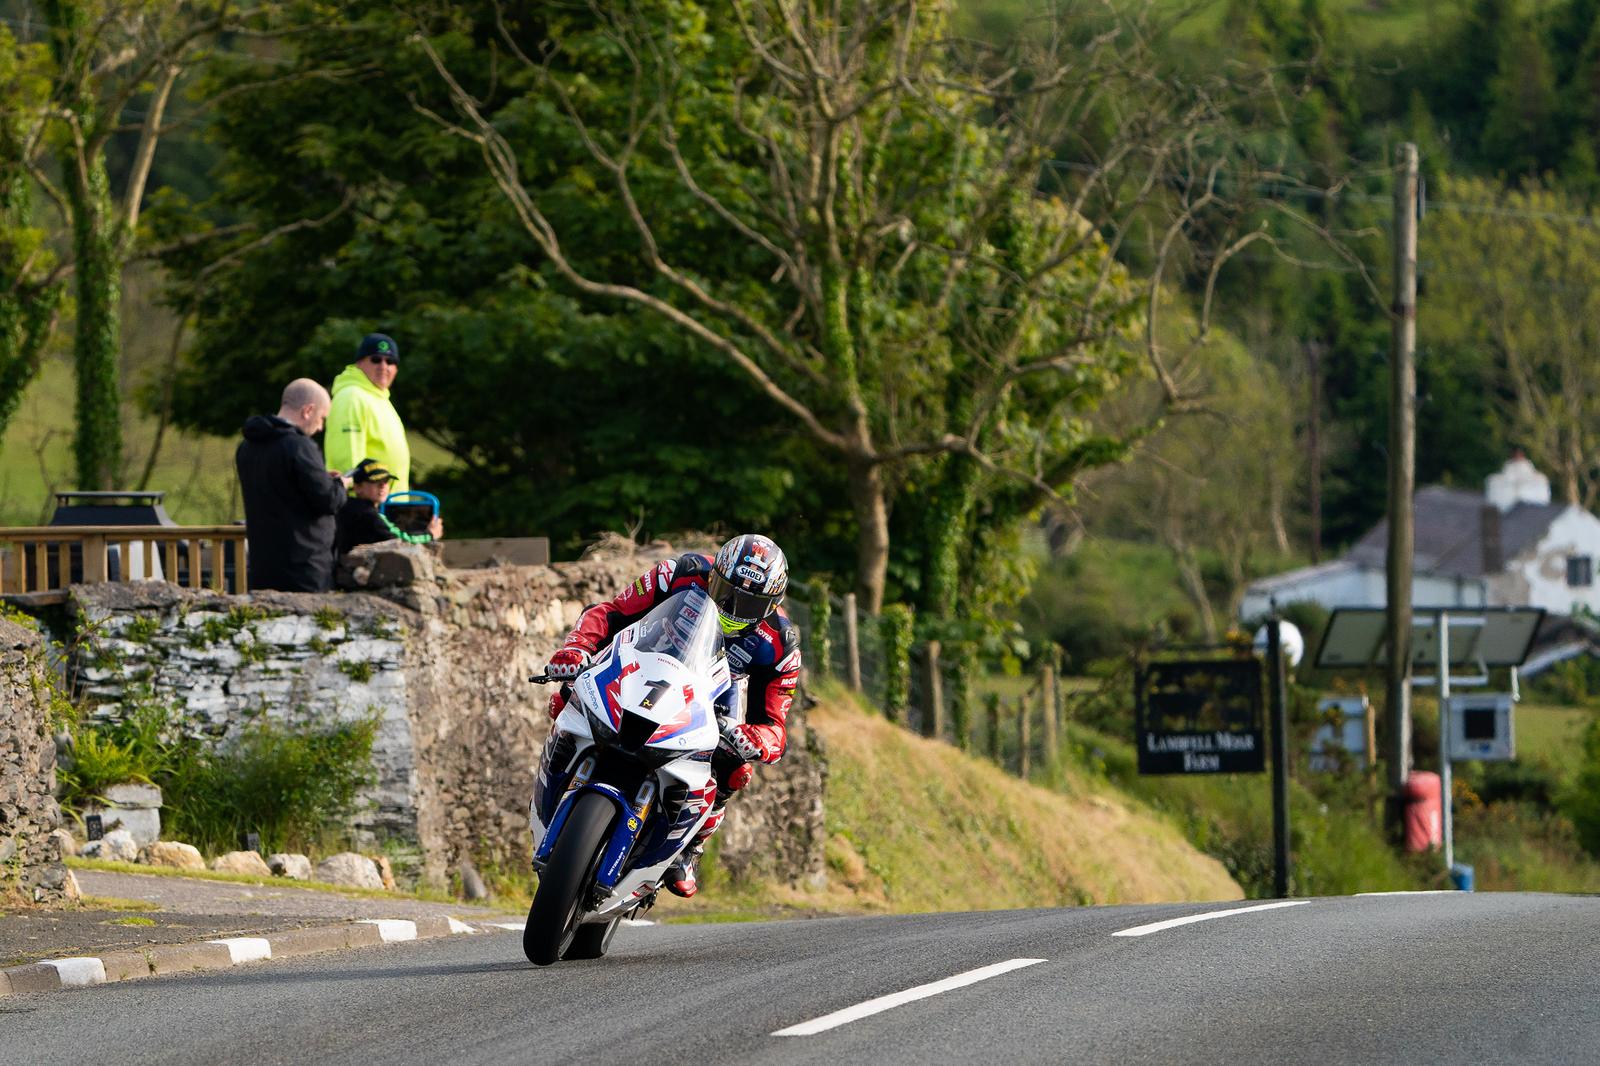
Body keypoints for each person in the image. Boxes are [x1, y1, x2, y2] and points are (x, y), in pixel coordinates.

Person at [543, 534, 800, 898]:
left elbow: (774, 724)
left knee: (734, 767)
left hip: (717, 691)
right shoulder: (679, 572)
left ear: (771, 605)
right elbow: (610, 613)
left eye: (748, 603)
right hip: (647, 656)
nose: (732, 606)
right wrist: (577, 648)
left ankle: (690, 849)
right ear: (714, 575)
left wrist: (758, 740)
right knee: (567, 695)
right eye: (726, 591)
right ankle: (558, 772)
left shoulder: (781, 644)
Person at [236, 379, 350, 592]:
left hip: (263, 567)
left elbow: (282, 486)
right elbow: (328, 500)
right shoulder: (299, 446)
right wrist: (339, 484)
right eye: (321, 418)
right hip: (305, 569)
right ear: (308, 411)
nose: (320, 427)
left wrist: (319, 477)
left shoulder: (248, 446)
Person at [324, 333, 411, 493]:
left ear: (396, 369)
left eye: (390, 361)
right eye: (376, 359)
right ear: (359, 363)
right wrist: (359, 500)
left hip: (388, 504)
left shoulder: (381, 398)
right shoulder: (352, 397)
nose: (383, 366)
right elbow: (347, 459)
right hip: (362, 503)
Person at [335, 459, 443, 557]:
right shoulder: (368, 513)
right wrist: (429, 534)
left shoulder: (346, 505)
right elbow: (400, 540)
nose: (382, 486)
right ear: (357, 488)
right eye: (374, 481)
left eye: (385, 481)